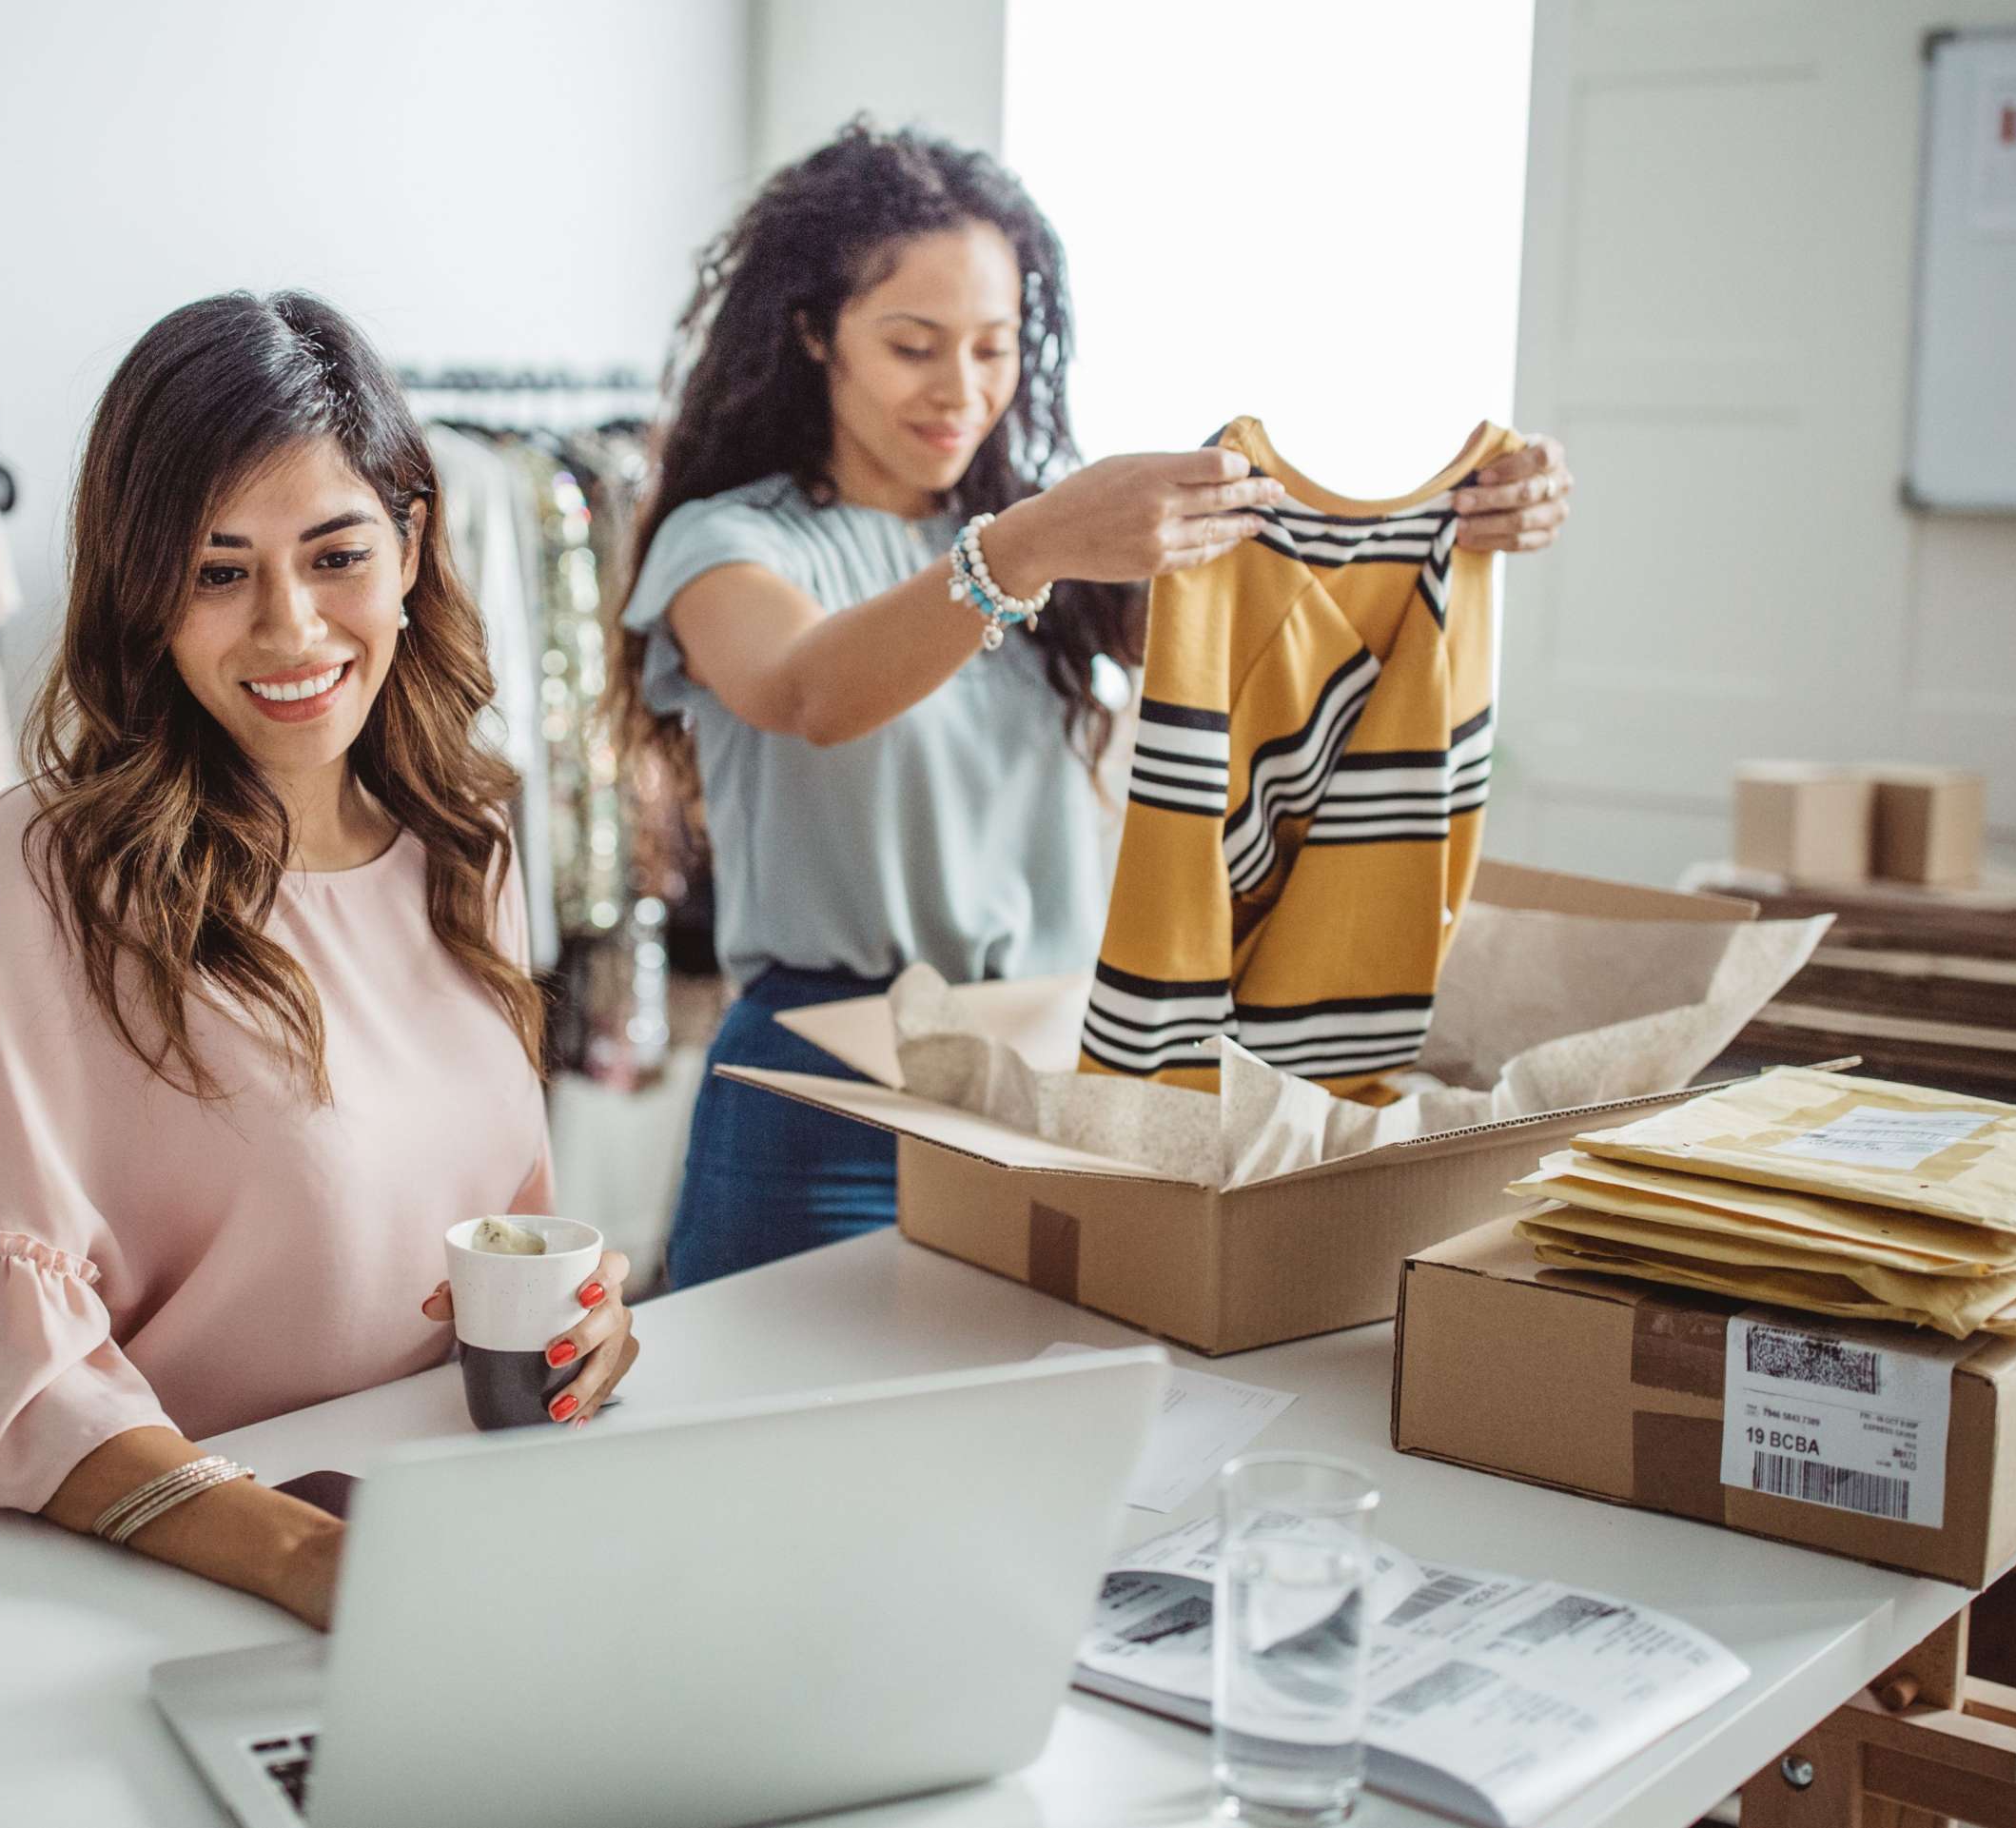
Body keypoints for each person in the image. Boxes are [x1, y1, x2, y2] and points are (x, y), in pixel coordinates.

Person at [617, 123, 1575, 1290]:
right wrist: (1026, 549)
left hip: (1048, 1077)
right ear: (814, 332)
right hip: (824, 1094)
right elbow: (808, 690)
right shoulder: (730, 541)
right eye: (913, 346)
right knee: (771, 1400)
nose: (961, 390)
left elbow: (1291, 632)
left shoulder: (1054, 543)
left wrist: (1466, 517)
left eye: (993, 347)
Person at [0, 293, 639, 1628]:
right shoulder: (50, 871)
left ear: (410, 546)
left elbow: (491, 1237)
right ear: (144, 593)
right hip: (168, 1576)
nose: (290, 629)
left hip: (447, 1524)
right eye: (218, 572)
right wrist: (307, 1559)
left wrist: (579, 1322)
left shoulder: (467, 840)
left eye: (336, 556)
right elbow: (15, 1377)